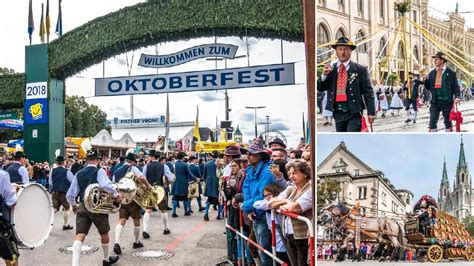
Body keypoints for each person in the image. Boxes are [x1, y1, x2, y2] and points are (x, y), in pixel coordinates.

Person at [66, 149, 120, 266]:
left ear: (86, 160)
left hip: (83, 205)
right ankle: (106, 259)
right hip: (97, 207)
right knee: (104, 233)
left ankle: (75, 264)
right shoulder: (99, 171)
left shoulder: (78, 173)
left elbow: (70, 194)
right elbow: (106, 185)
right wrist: (116, 195)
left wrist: (74, 205)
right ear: (97, 160)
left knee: (80, 234)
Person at [317, 36, 376, 132]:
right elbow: (320, 88)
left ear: (350, 51)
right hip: (337, 112)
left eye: (346, 49)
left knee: (352, 134)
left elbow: (368, 92)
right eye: (340, 49)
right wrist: (323, 75)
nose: (343, 52)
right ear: (336, 51)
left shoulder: (360, 70)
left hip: (354, 112)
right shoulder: (331, 69)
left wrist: (371, 112)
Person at [269, 159, 312, 266]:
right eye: (290, 173)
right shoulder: (291, 189)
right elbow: (271, 203)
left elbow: (294, 208)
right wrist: (285, 201)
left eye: (295, 173)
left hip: (302, 236)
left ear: (305, 174)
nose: (291, 176)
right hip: (288, 232)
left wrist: (284, 205)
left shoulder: (310, 190)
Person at [241, 138, 275, 266]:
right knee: (256, 247)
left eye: (251, 153)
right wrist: (249, 208)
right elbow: (246, 188)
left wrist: (246, 206)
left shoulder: (267, 172)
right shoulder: (251, 171)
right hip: (254, 214)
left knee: (264, 250)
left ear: (260, 156)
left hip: (264, 215)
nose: (248, 156)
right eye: (247, 153)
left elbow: (263, 195)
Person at [112, 153, 153, 255]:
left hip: (122, 199)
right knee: (136, 221)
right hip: (133, 199)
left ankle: (117, 242)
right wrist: (148, 186)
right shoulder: (133, 168)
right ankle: (136, 241)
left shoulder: (117, 170)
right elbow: (142, 178)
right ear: (133, 161)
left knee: (121, 220)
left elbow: (113, 184)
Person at [423, 52, 461, 131]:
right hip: (435, 102)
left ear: (442, 60)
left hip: (447, 102)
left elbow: (456, 87)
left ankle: (448, 137)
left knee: (447, 123)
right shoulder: (432, 73)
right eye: (434, 59)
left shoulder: (451, 73)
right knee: (432, 123)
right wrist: (425, 79)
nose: (435, 61)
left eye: (437, 59)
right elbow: (428, 87)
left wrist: (457, 97)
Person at [142, 150, 175, 238]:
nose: (148, 157)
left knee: (148, 210)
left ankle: (145, 230)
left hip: (150, 189)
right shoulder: (164, 166)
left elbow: (143, 178)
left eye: (149, 156)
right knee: (163, 210)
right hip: (160, 190)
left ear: (152, 157)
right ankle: (165, 228)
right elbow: (171, 179)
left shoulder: (146, 167)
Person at [253, 183, 289, 264]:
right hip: (276, 240)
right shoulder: (268, 203)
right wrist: (271, 204)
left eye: (269, 194)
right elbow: (256, 204)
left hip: (283, 239)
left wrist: (273, 203)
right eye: (265, 196)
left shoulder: (281, 201)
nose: (267, 197)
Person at [49, 155, 75, 230]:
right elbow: (73, 181)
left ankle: (47, 223)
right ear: (63, 162)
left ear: (57, 162)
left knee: (55, 209)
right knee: (66, 208)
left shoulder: (52, 170)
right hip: (63, 192)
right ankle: (66, 225)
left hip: (55, 191)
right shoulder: (67, 171)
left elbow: (50, 182)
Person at [0, 170, 19, 266]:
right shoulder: (2, 175)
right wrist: (14, 189)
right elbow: (11, 202)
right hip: (1, 226)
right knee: (11, 257)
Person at [171, 152, 198, 217]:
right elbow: (189, 174)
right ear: (183, 157)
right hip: (183, 182)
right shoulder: (185, 165)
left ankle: (174, 212)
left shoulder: (174, 164)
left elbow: (172, 172)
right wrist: (196, 179)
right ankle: (186, 211)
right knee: (185, 197)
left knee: (175, 197)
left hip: (176, 182)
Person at [203, 152, 219, 221]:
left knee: (209, 198)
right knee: (218, 198)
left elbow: (204, 175)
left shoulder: (207, 163)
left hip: (209, 181)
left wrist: (205, 181)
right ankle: (219, 214)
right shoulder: (219, 163)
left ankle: (206, 212)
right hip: (216, 181)